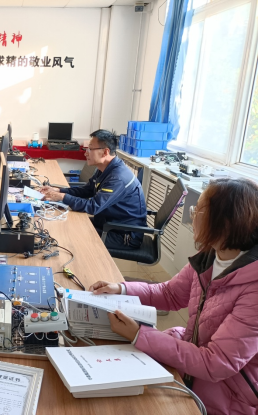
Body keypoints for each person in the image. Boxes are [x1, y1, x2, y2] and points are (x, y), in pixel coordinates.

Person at [90, 178, 258, 415]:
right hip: (192, 366)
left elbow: (216, 363)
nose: (191, 217)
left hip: (227, 397)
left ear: (225, 223)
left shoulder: (253, 289)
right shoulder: (210, 255)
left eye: (197, 211)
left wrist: (140, 334)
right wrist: (121, 289)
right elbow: (170, 293)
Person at [40, 130, 147, 250]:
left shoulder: (118, 178)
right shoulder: (106, 169)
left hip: (123, 235)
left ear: (105, 152)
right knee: (64, 223)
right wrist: (59, 191)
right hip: (106, 223)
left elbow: (93, 206)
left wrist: (62, 197)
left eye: (90, 149)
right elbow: (87, 190)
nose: (86, 153)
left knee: (69, 235)